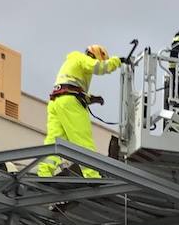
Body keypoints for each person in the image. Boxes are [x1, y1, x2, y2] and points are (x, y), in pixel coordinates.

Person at [37, 44, 121, 178]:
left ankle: (44, 173)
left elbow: (71, 86)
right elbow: (98, 67)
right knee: (83, 140)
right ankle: (92, 176)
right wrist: (118, 61)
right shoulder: (81, 58)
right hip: (70, 102)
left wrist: (90, 98)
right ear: (95, 55)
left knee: (54, 142)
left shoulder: (72, 62)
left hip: (56, 101)